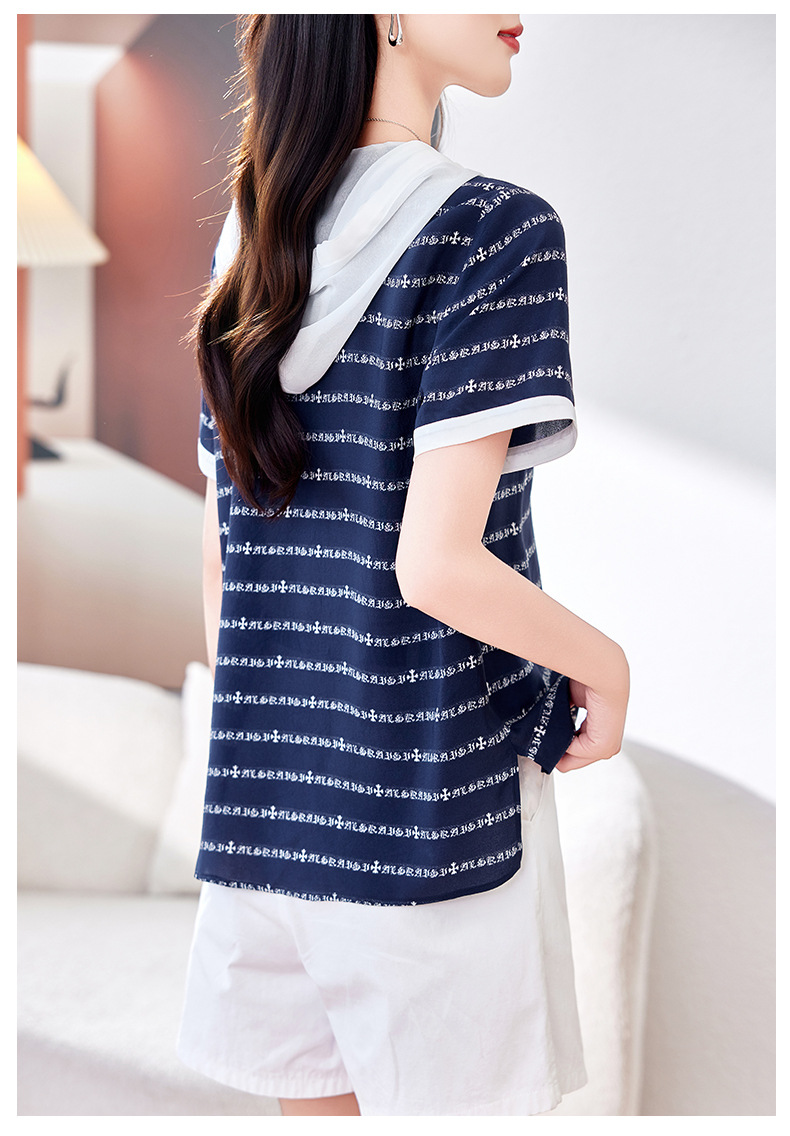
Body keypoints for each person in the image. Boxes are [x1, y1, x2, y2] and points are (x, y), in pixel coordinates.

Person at [176, 13, 629, 1117]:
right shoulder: (492, 229)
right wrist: (606, 665)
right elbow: (435, 565)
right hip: (431, 822)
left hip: (268, 818)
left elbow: (224, 564)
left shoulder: (250, 243)